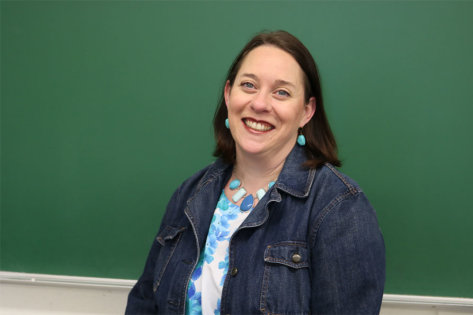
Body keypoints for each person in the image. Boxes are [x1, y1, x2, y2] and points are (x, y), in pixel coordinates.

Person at [126, 30, 385, 315]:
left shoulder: (339, 208)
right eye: (248, 85)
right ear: (228, 94)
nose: (260, 104)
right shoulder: (190, 195)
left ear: (306, 111)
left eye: (282, 92)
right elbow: (143, 304)